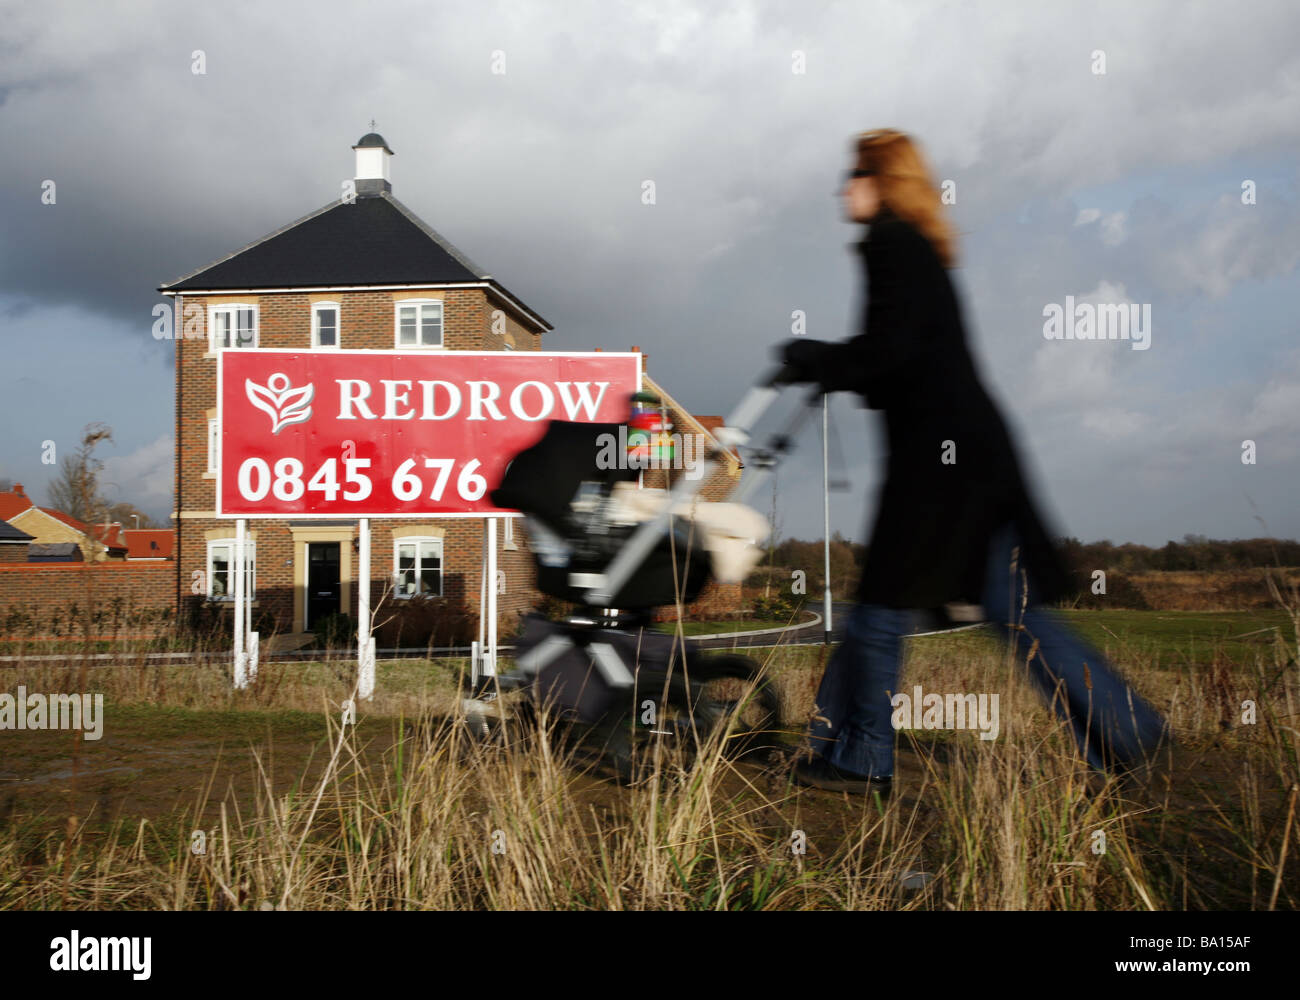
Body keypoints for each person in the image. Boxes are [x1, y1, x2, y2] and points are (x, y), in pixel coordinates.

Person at [776, 129, 1168, 796]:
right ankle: (1129, 731)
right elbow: (901, 358)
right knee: (1013, 612)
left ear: (882, 180)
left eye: (855, 175)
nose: (845, 188)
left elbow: (890, 351)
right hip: (969, 454)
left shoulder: (891, 244)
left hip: (939, 462)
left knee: (879, 607)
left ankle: (861, 756)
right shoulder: (919, 248)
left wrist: (817, 359)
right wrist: (839, 367)